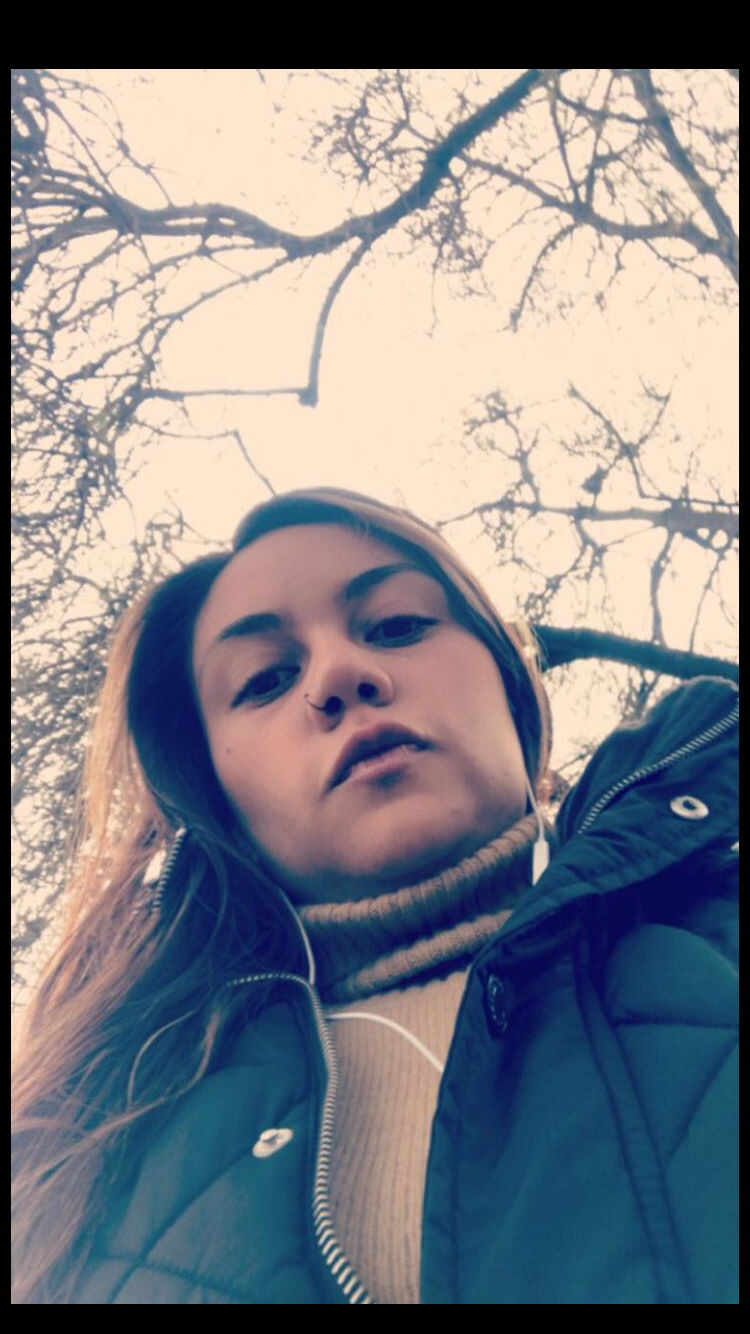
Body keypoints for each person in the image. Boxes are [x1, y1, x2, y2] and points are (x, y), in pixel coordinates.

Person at [11, 487, 738, 1305]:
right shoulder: (89, 1153)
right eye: (266, 679)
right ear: (214, 794)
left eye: (396, 626)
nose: (340, 674)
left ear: (512, 686)